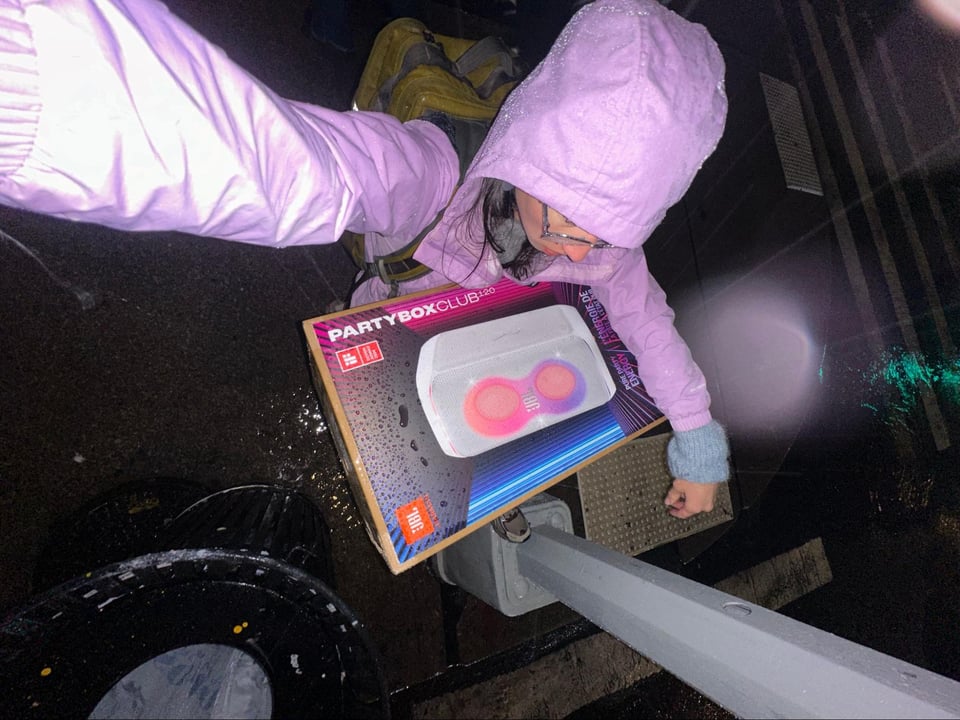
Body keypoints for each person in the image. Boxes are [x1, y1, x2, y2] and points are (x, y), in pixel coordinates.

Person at [0, 0, 729, 520]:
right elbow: (291, 165)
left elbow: (650, 325)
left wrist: (696, 437)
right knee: (359, 373)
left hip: (464, 345)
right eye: (559, 219)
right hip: (389, 301)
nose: (572, 249)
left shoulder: (611, 251)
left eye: (597, 237)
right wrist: (39, 94)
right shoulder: (429, 172)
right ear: (532, 154)